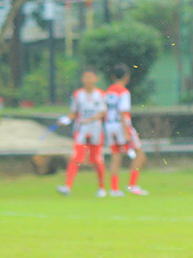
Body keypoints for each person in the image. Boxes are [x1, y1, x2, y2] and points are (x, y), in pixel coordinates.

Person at [56, 69, 107, 197]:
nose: (88, 80)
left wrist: (92, 119)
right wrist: (66, 119)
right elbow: (73, 112)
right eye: (85, 77)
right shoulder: (78, 95)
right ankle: (67, 186)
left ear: (96, 79)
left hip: (96, 129)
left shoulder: (100, 94)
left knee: (97, 159)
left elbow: (102, 112)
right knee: (76, 157)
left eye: (90, 77)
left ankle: (101, 188)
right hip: (82, 130)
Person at [103, 63, 148, 197]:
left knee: (116, 157)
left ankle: (114, 188)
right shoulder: (124, 92)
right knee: (140, 155)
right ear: (127, 77)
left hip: (109, 125)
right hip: (121, 125)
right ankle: (132, 185)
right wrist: (126, 132)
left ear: (112, 77)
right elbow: (123, 113)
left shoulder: (108, 92)